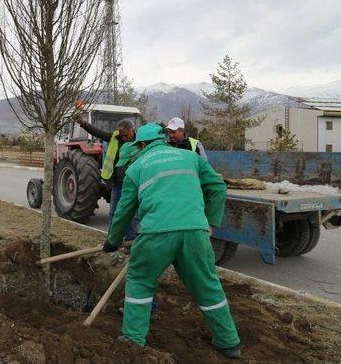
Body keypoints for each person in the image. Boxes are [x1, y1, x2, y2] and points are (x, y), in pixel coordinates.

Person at [103, 123, 241, 359]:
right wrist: (210, 223)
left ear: (142, 145)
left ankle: (134, 340)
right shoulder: (190, 157)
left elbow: (123, 212)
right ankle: (229, 343)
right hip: (195, 234)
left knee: (140, 280)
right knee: (208, 286)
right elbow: (218, 186)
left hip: (155, 235)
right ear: (164, 139)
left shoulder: (135, 169)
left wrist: (112, 241)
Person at [74, 114, 136, 238]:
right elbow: (98, 133)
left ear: (132, 130)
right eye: (121, 134)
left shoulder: (140, 142)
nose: (123, 137)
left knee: (131, 213)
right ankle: (113, 238)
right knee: (113, 212)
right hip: (117, 183)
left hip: (133, 184)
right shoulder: (115, 137)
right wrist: (83, 123)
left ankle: (130, 239)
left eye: (126, 135)